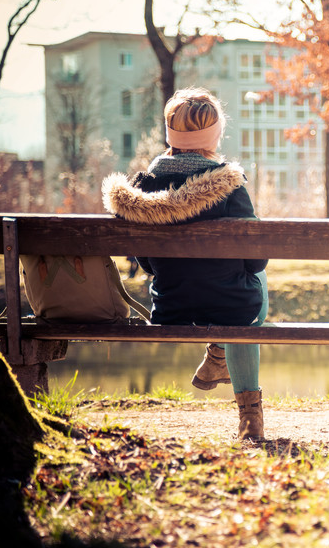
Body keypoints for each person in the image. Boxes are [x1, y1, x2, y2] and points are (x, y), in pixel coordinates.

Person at [102, 87, 268, 441]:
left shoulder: (142, 190)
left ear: (170, 134)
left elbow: (146, 263)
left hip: (170, 307)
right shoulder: (230, 187)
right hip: (234, 306)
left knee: (241, 294)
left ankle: (219, 355)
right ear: (215, 134)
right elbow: (255, 260)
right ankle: (248, 413)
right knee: (255, 289)